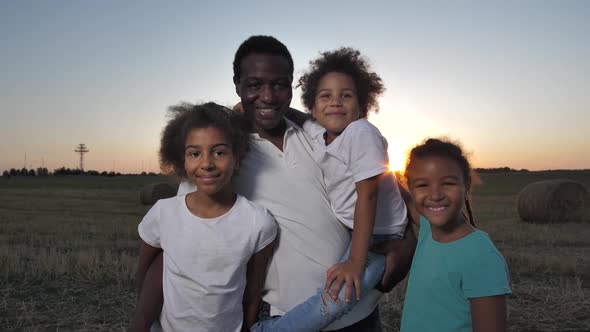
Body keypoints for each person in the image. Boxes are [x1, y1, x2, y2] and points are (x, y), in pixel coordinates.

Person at [131, 36, 417, 332]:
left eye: (279, 85)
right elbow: (174, 248)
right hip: (284, 317)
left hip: (358, 313)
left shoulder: (318, 135)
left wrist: (409, 241)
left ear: (292, 86)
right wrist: (141, 322)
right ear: (237, 84)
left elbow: (376, 183)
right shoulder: (220, 155)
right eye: (254, 85)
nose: (267, 96)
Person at [251, 48, 408, 332]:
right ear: (313, 105)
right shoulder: (320, 135)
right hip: (358, 230)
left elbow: (369, 194)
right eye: (325, 96)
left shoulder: (362, 134)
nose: (335, 102)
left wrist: (355, 261)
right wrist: (238, 109)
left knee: (340, 295)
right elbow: (302, 118)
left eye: (346, 96)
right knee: (336, 291)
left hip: (379, 235)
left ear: (362, 105)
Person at [132, 102, 276, 331]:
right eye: (195, 153)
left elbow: (252, 294)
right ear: (182, 161)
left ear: (237, 158)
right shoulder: (163, 213)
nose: (207, 164)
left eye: (219, 152)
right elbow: (144, 273)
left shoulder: (258, 222)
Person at [401, 138, 511, 332]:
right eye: (422, 185)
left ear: (466, 187)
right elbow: (406, 199)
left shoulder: (481, 257)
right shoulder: (428, 229)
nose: (435, 195)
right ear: (411, 188)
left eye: (448, 183)